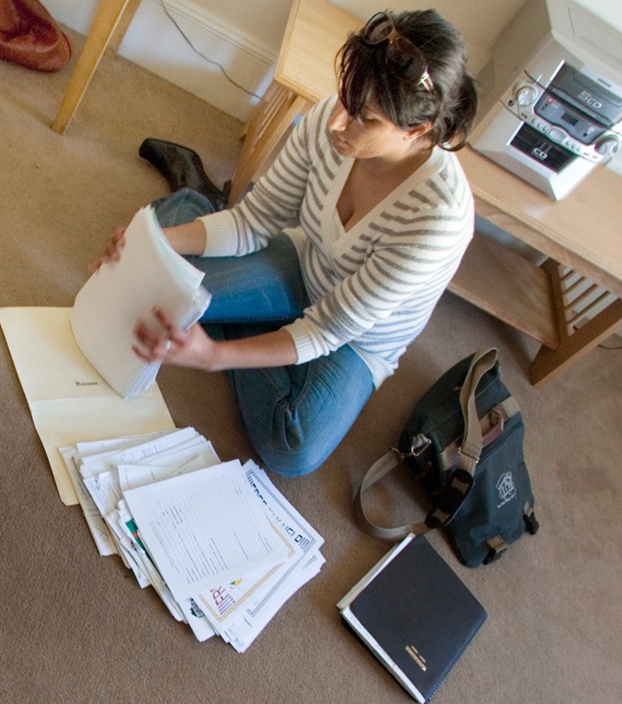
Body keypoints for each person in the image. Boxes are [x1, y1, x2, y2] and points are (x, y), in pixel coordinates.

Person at [99, 10, 478, 477]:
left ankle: (226, 306)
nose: (336, 122)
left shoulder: (437, 220)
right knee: (160, 267)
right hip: (302, 261)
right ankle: (196, 220)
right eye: (343, 98)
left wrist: (214, 357)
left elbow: (327, 330)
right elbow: (254, 221)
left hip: (356, 339)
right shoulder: (330, 121)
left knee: (292, 448)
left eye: (364, 118)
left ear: (415, 131)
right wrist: (152, 239)